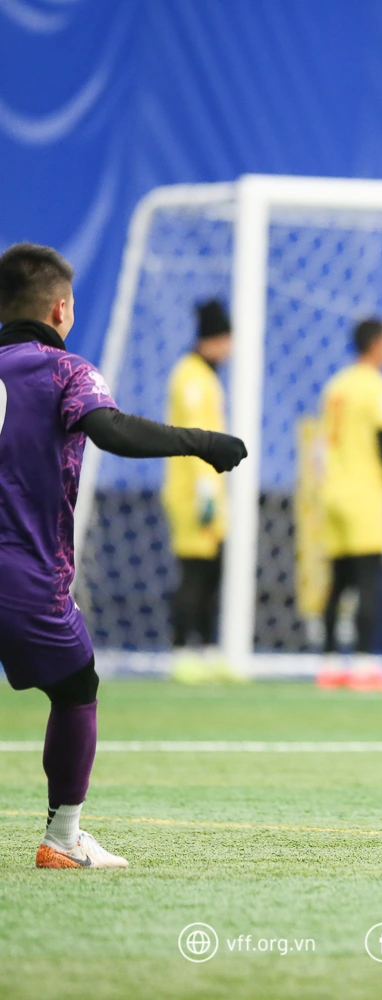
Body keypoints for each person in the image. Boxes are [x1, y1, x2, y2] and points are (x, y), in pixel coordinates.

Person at [0, 242, 246, 868]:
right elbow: (110, 430)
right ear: (60, 309)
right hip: (25, 574)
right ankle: (62, 838)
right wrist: (203, 443)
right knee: (77, 687)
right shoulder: (65, 370)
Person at [315, 317, 382, 692]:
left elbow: (322, 445)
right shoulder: (378, 388)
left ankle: (328, 664)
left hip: (332, 492)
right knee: (369, 581)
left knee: (339, 581)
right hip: (363, 494)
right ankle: (362, 663)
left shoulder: (335, 386)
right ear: (375, 344)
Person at [163, 299, 239, 684]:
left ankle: (208, 650)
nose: (231, 349)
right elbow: (194, 438)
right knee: (193, 573)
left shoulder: (206, 377)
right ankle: (181, 651)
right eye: (228, 340)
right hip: (191, 490)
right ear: (214, 339)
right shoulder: (190, 376)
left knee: (212, 573)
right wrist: (205, 488)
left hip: (208, 490)